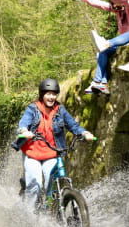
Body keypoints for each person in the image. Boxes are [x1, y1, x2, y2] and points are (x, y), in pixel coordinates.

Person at [16, 79, 94, 208]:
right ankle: (28, 217)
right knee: (36, 186)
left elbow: (73, 125)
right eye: (48, 94)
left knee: (51, 186)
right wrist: (24, 131)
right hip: (32, 154)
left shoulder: (60, 110)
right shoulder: (33, 108)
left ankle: (48, 211)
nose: (51, 97)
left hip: (51, 154)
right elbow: (24, 122)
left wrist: (84, 133)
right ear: (42, 94)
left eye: (54, 94)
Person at [71, 0, 129, 94]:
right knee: (101, 53)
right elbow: (101, 4)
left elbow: (127, 2)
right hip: (122, 43)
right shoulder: (118, 9)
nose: (114, 7)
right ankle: (101, 83)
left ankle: (99, 82)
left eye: (115, 3)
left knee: (104, 48)